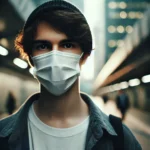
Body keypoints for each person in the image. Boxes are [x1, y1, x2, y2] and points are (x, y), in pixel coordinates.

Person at [0, 1, 141, 150]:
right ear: (30, 58)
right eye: (43, 46)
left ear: (84, 56)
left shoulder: (120, 139)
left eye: (67, 45)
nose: (55, 56)